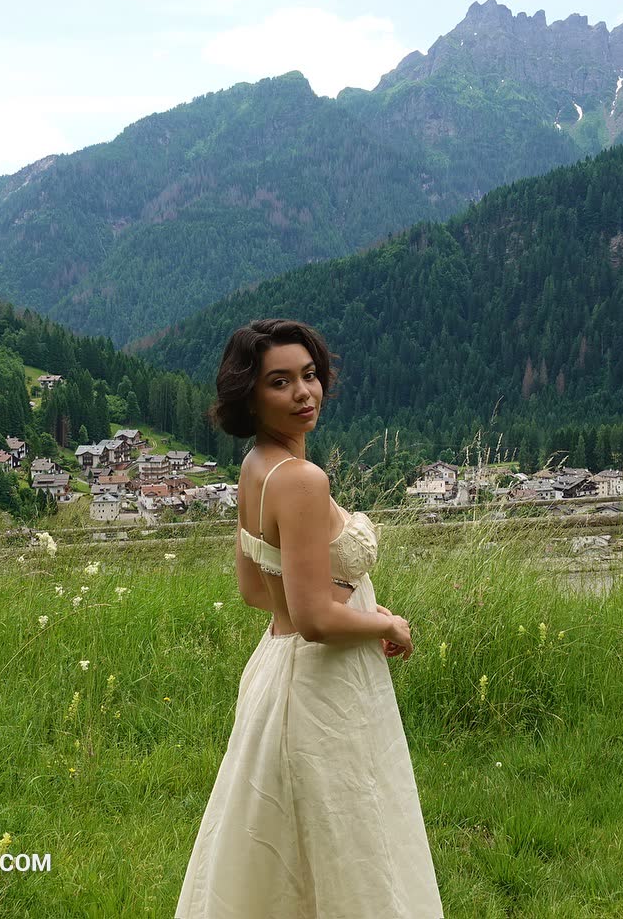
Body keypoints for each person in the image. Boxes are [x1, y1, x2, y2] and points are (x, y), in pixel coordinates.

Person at [175, 319, 443, 918]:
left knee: (280, 845)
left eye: (310, 375)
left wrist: (350, 602)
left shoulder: (256, 467)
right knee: (347, 837)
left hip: (278, 671)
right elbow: (316, 620)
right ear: (249, 395)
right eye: (280, 382)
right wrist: (386, 625)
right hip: (324, 685)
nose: (304, 393)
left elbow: (256, 590)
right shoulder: (300, 479)